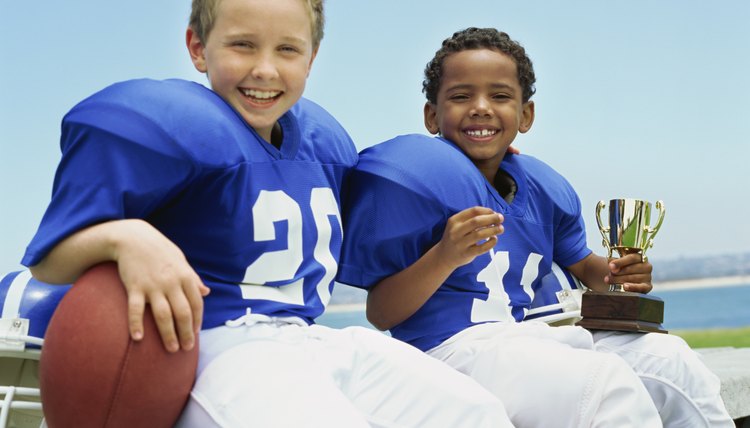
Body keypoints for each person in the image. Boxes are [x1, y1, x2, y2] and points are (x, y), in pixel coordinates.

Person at [22, 3, 515, 426]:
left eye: (287, 50)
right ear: (198, 47)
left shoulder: (326, 142)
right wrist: (124, 238)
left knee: (477, 413)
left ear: (311, 57)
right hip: (215, 348)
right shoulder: (166, 126)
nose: (264, 69)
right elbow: (50, 261)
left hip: (309, 339)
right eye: (242, 45)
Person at [338, 27, 733, 427]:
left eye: (500, 96)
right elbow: (382, 312)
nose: (480, 108)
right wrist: (445, 255)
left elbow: (584, 266)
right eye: (460, 96)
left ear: (525, 114)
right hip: (449, 351)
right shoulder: (417, 177)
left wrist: (620, 274)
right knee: (603, 387)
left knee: (673, 361)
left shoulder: (539, 186)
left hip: (536, 337)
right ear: (431, 115)